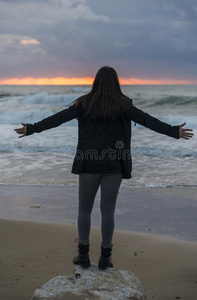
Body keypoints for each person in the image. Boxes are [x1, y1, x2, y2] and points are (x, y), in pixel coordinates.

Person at [14, 66, 194, 270]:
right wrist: (173, 131)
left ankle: (83, 255)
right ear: (116, 83)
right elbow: (147, 120)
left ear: (96, 82)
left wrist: (32, 128)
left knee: (84, 209)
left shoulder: (84, 103)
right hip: (114, 163)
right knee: (108, 211)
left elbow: (58, 118)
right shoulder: (124, 105)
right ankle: (105, 257)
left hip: (89, 161)